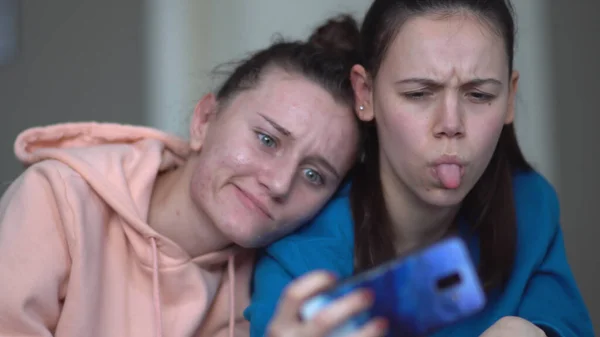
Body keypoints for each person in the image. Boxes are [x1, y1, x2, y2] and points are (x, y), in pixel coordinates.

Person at [245, 1, 595, 337]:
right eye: (418, 93)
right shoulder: (300, 259)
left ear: (509, 98)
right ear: (365, 93)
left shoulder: (531, 207)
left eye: (479, 95)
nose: (451, 124)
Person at [0, 18, 362, 337]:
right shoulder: (57, 200)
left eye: (314, 175)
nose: (280, 183)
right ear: (203, 120)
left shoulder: (270, 285)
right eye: (267, 140)